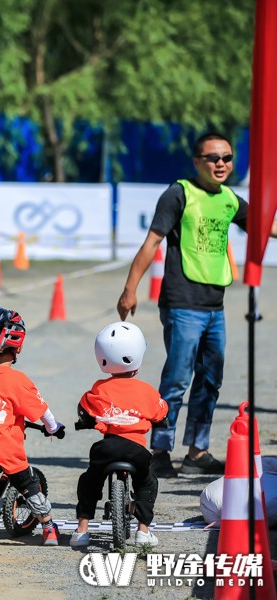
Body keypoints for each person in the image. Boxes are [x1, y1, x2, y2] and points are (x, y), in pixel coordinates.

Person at [116, 132, 277, 478]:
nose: (221, 164)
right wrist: (130, 289)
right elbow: (151, 243)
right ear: (197, 161)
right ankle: (159, 450)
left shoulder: (231, 200)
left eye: (227, 158)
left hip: (214, 306)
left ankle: (197, 452)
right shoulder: (178, 194)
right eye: (213, 158)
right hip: (181, 303)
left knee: (210, 379)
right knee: (176, 380)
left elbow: (265, 229)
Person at [0, 307, 64, 546]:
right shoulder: (19, 381)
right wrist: (53, 427)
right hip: (5, 450)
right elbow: (41, 411)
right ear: (18, 346)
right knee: (29, 486)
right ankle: (48, 527)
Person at [71, 321, 168, 547]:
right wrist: (159, 420)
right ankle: (143, 531)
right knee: (147, 483)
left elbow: (84, 410)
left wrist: (86, 421)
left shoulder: (99, 389)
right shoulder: (147, 391)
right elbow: (161, 412)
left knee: (90, 481)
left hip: (107, 448)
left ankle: (82, 530)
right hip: (136, 450)